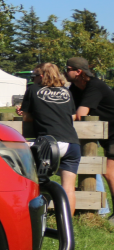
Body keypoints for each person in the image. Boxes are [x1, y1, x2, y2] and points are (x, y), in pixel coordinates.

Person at [23, 63, 81, 214]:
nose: (33, 79)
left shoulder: (33, 89)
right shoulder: (66, 91)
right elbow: (73, 115)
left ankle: (35, 216)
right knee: (68, 188)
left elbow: (27, 117)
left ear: (41, 76)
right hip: (72, 143)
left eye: (35, 75)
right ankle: (67, 224)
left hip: (49, 143)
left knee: (36, 181)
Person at [66, 57, 114, 213]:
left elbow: (80, 115)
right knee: (93, 165)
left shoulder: (95, 86)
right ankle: (97, 210)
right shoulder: (74, 88)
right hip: (101, 132)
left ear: (78, 72)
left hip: (112, 132)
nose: (65, 72)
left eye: (68, 69)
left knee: (108, 170)